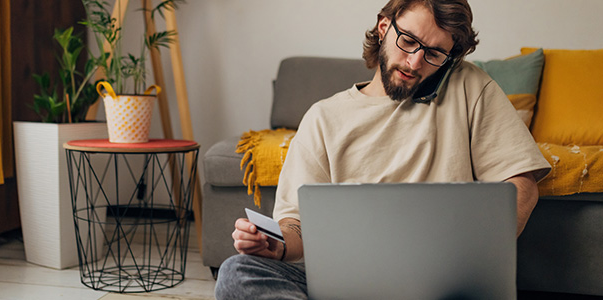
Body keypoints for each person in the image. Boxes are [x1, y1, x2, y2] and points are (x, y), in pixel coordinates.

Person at [215, 0, 551, 299]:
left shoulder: (470, 86)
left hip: (445, 285)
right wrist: (279, 245)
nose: (415, 61)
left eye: (434, 54)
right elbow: (296, 223)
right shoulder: (323, 117)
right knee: (237, 273)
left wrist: (476, 260)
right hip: (346, 284)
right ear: (384, 27)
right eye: (408, 41)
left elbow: (520, 183)